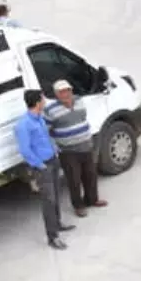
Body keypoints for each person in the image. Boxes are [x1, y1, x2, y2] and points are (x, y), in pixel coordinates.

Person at [15, 89, 74, 249]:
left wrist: (54, 150)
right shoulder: (24, 125)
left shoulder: (40, 118)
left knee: (56, 194)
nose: (45, 101)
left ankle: (58, 223)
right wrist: (40, 165)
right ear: (37, 102)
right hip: (42, 166)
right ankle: (52, 237)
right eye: (43, 99)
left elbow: (46, 137)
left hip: (52, 160)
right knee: (48, 200)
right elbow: (25, 150)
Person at [44, 80, 107, 218]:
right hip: (68, 151)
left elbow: (82, 118)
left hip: (86, 145)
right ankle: (79, 206)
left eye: (67, 90)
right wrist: (56, 145)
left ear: (71, 91)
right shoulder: (50, 110)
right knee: (74, 179)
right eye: (61, 92)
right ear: (56, 95)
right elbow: (46, 130)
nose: (65, 94)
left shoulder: (79, 101)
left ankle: (92, 199)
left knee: (90, 175)